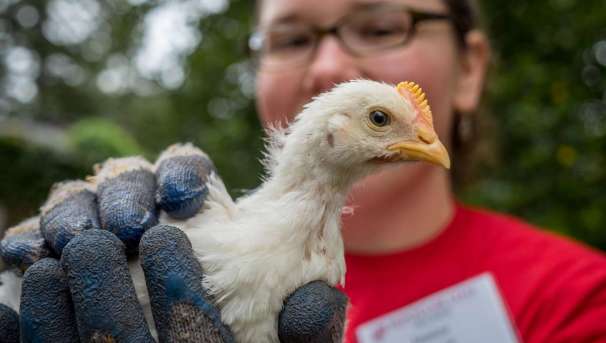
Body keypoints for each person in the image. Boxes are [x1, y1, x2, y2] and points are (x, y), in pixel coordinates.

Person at [1, 0, 605, 342]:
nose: (329, 64)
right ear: (332, 133)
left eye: (378, 25)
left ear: (472, 68)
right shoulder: (172, 220)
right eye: (291, 39)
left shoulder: (581, 301)